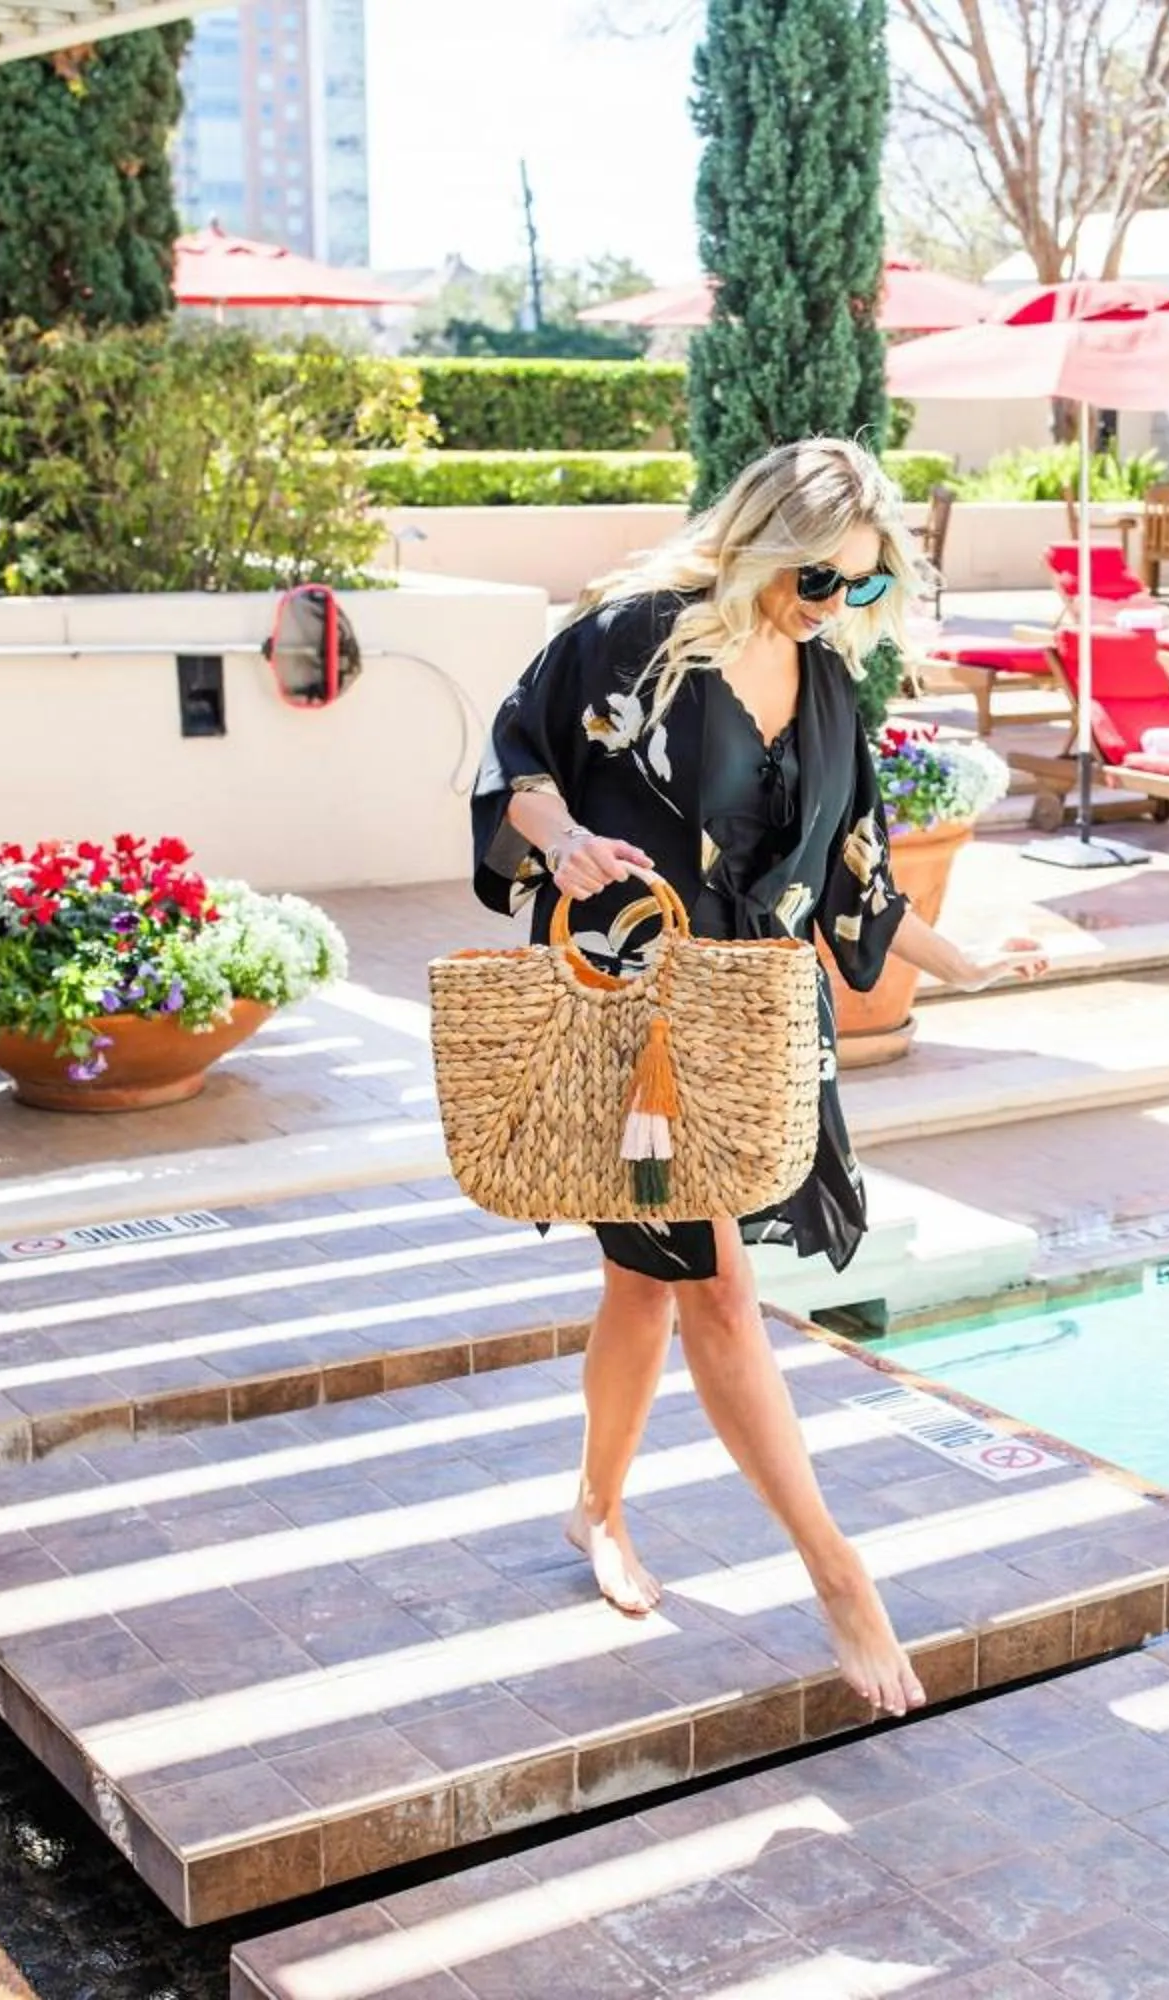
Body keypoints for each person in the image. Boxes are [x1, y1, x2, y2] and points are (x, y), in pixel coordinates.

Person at [471, 437, 1048, 1717]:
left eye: (861, 586)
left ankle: (595, 1509)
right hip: (632, 1015)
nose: (833, 607)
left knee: (644, 1282)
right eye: (816, 580)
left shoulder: (831, 686)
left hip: (755, 1022)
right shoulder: (628, 640)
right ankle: (839, 1573)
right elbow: (514, 764)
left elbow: (856, 875)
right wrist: (561, 839)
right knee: (718, 1291)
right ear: (758, 544)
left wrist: (962, 965)